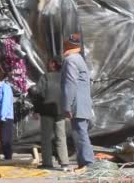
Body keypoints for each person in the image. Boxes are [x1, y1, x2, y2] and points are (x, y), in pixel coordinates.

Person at [61, 33, 95, 169]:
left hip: (77, 104)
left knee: (80, 134)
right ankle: (83, 163)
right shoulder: (79, 59)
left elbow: (70, 84)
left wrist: (67, 106)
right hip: (83, 102)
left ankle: (88, 163)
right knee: (79, 133)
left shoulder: (71, 60)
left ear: (68, 45)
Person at [35, 56, 69, 170]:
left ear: (53, 64)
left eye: (49, 62)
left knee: (46, 138)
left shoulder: (45, 77)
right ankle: (64, 163)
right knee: (61, 137)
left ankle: (47, 163)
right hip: (61, 112)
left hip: (46, 111)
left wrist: (36, 110)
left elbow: (39, 94)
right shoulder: (64, 77)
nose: (47, 64)